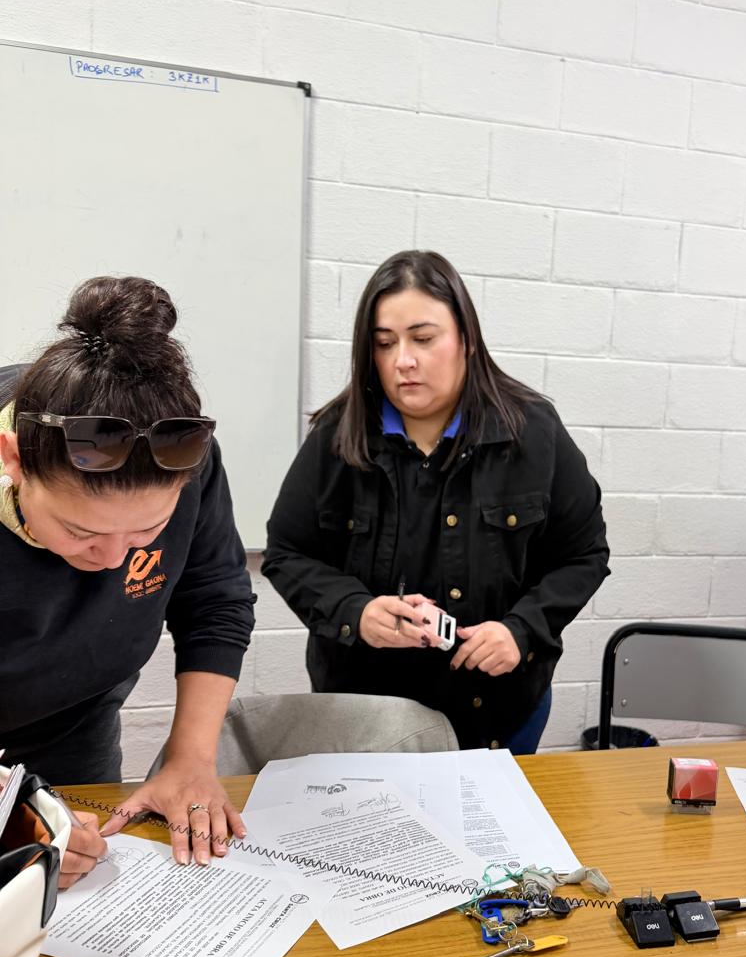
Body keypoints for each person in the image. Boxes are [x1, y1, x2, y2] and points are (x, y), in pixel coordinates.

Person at [263, 250, 609, 753]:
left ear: (466, 338)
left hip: (497, 713)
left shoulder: (532, 431)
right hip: (367, 717)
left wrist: (522, 631)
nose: (403, 361)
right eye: (385, 343)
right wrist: (356, 611)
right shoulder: (337, 436)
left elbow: (584, 555)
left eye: (423, 339)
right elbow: (286, 553)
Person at [0, 276, 255, 886]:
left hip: (75, 722)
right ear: (13, 460)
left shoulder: (184, 457)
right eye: (81, 531)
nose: (115, 560)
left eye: (147, 531)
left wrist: (190, 761)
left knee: (76, 882)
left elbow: (214, 602)